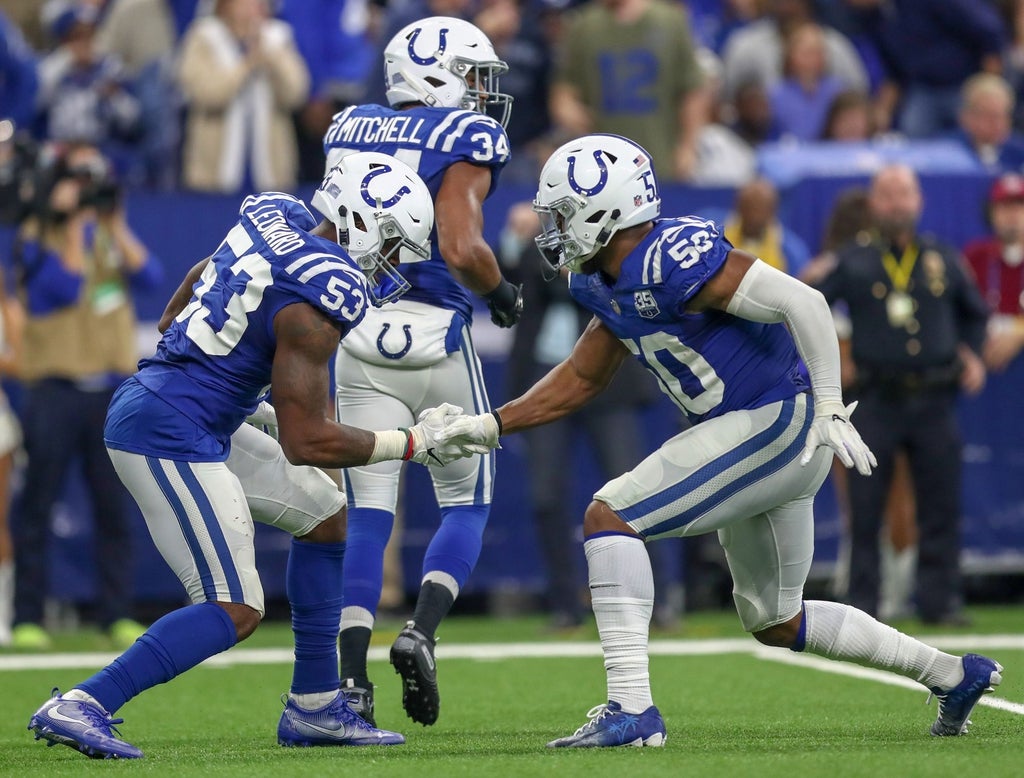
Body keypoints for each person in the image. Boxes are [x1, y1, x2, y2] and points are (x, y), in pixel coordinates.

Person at [440, 134, 1003, 747]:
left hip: (779, 420)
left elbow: (804, 301)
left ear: (607, 209)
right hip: (761, 435)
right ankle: (952, 674)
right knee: (776, 619)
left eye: (563, 214)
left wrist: (831, 405)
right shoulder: (601, 279)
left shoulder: (672, 255)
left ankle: (631, 710)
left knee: (611, 516)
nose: (554, 230)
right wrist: (490, 425)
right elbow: (580, 376)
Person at [26, 151, 472, 759]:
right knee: (234, 607)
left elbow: (192, 286)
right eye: (392, 245)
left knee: (324, 514)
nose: (392, 263)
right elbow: (308, 440)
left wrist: (214, 369)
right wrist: (416, 443)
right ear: (362, 224)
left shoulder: (277, 218)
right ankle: (83, 703)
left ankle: (315, 706)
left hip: (189, 411)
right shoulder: (321, 295)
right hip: (166, 430)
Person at [321, 15, 523, 729]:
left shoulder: (348, 125)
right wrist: (502, 293)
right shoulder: (465, 136)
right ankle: (422, 630)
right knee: (465, 501)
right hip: (435, 335)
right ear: (434, 74)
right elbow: (462, 246)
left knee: (368, 514)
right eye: (471, 75)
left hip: (359, 330)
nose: (479, 92)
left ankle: (348, 682)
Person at [814, 164, 990, 626]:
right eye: (888, 195)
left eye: (904, 194)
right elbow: (811, 305)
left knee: (940, 505)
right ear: (874, 204)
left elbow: (974, 311)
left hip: (935, 397)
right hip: (876, 397)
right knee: (867, 507)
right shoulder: (853, 260)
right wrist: (832, 360)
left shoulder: (941, 257)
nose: (897, 203)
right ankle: (862, 606)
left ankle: (940, 601)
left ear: (919, 201)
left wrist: (973, 354)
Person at [10, 141, 160, 651]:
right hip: (54, 389)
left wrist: (112, 224)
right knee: (37, 506)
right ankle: (27, 616)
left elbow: (151, 276)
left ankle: (115, 613)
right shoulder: (34, 238)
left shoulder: (106, 237)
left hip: (109, 391)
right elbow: (65, 288)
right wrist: (73, 226)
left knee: (112, 507)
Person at [548, 0, 705, 182]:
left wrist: (688, 146)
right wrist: (569, 111)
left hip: (661, 155)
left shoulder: (671, 21)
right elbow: (564, 92)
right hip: (601, 167)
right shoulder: (584, 26)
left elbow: (693, 89)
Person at [176, 0, 310, 193]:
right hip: (213, 177)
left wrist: (272, 58)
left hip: (270, 175)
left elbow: (296, 93)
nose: (257, 6)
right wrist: (247, 65)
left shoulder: (278, 38)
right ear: (226, 5)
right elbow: (206, 93)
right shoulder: (202, 37)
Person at [964, 172, 1024, 370]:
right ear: (991, 213)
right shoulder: (974, 256)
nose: (1012, 215)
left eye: (1019, 207)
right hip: (981, 359)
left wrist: (1020, 332)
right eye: (1004, 207)